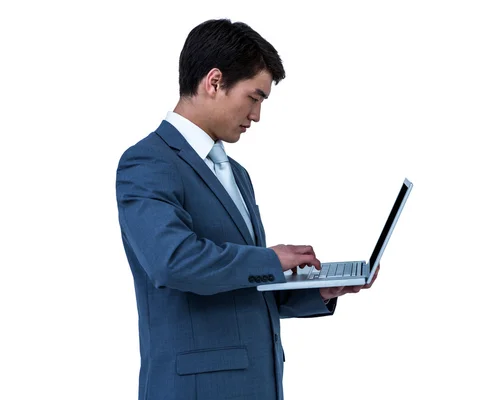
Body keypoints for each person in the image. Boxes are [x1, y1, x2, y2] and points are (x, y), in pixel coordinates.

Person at [115, 18, 379, 400]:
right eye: (254, 98)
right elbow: (172, 261)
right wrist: (270, 260)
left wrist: (317, 291)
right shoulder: (147, 162)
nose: (256, 115)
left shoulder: (235, 172)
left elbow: (240, 284)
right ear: (214, 81)